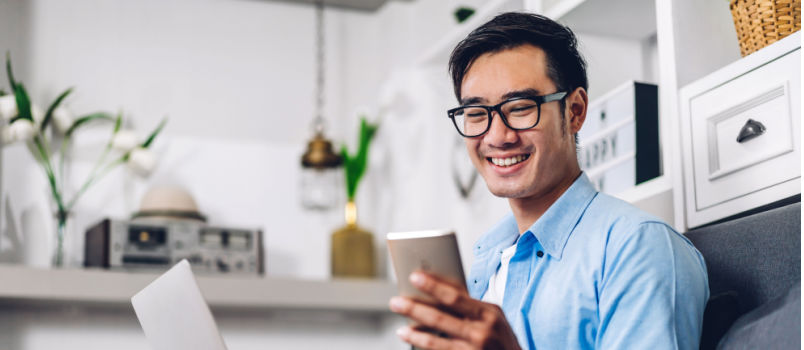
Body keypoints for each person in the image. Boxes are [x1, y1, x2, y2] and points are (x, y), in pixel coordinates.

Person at [389, 12, 709, 350]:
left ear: (575, 111)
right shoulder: (489, 255)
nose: (497, 136)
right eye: (477, 114)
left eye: (520, 107)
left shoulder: (637, 247)